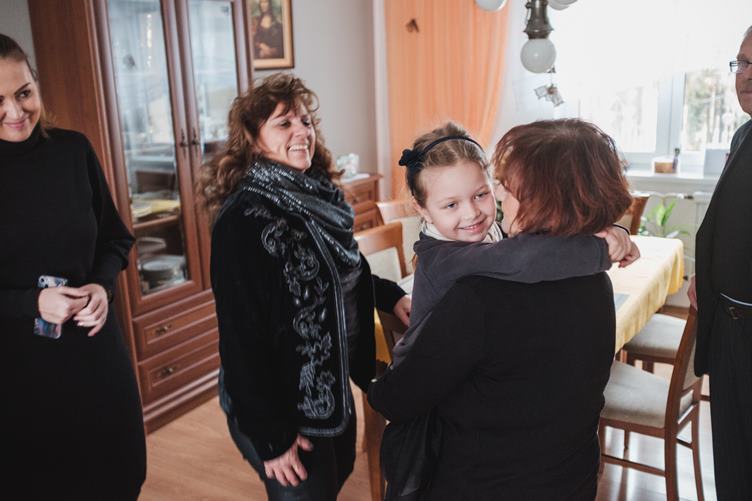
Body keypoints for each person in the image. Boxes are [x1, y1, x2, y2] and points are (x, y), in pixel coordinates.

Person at [369, 118, 633, 500]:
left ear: (543, 198)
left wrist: (378, 390)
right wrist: (604, 242)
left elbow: (398, 398)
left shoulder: (481, 298)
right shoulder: (594, 280)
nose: (496, 201)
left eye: (502, 190)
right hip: (570, 477)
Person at [198, 72, 410, 500]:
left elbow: (341, 272)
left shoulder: (317, 197)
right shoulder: (243, 219)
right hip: (275, 404)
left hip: (327, 388)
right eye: (283, 123)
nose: (302, 132)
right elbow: (240, 338)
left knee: (335, 475)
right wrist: (272, 438)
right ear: (253, 140)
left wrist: (390, 295)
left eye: (305, 121)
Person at [0, 34, 146, 498]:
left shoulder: (73, 151)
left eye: (24, 92)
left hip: (95, 354)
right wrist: (32, 302)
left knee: (121, 476)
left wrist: (101, 286)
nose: (15, 111)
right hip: (19, 376)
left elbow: (115, 238)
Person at [390, 122, 639, 367]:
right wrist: (601, 248)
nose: (471, 213)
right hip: (423, 374)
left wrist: (604, 230)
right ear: (423, 210)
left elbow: (542, 242)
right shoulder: (442, 259)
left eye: (481, 195)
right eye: (451, 205)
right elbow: (525, 257)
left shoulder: (490, 232)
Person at [688, 25, 752, 501]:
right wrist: (706, 273)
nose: (746, 75)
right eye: (743, 63)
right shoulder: (744, 133)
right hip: (730, 325)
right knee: (732, 462)